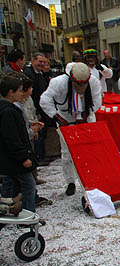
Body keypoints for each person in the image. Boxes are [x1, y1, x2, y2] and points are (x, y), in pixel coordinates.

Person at [39, 62, 102, 196]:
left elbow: (97, 99)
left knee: (90, 151)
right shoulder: (58, 83)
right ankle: (70, 182)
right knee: (67, 153)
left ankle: (91, 180)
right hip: (65, 118)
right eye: (78, 84)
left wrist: (88, 112)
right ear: (72, 79)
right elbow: (45, 100)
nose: (81, 87)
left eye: (84, 84)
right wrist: (56, 117)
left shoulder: (94, 82)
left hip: (86, 117)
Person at [0, 75, 41, 214]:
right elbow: (12, 139)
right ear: (11, 92)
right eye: (19, 90)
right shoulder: (9, 112)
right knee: (28, 185)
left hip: (8, 160)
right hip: (15, 160)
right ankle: (28, 215)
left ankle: (7, 213)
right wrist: (23, 157)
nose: (21, 93)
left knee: (10, 186)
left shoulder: (7, 109)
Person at [24, 52, 52, 164]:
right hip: (35, 108)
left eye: (44, 62)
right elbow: (33, 94)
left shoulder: (40, 73)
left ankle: (40, 156)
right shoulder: (29, 73)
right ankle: (38, 157)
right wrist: (36, 110)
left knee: (41, 133)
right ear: (33, 60)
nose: (42, 64)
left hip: (42, 107)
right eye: (40, 61)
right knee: (37, 135)